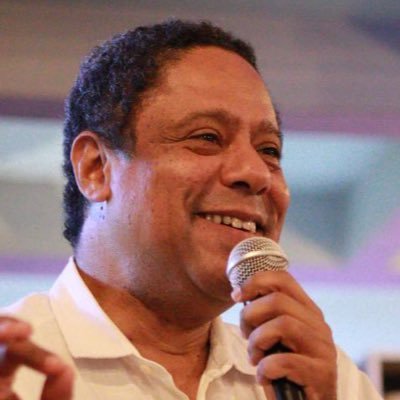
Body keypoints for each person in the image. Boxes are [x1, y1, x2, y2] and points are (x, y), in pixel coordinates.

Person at [0, 20, 382, 400]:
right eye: (207, 137)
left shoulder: (325, 380)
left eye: (269, 150)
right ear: (96, 168)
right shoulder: (13, 371)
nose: (256, 173)